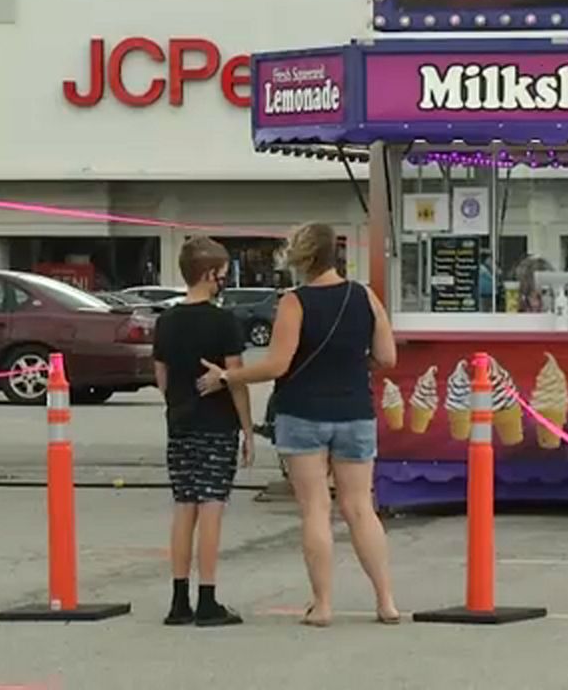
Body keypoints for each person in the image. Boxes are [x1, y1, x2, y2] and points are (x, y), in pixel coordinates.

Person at [196, 223, 400, 627]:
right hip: (355, 412)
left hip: (303, 413)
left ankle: (323, 605)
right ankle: (386, 601)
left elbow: (278, 364)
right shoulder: (365, 297)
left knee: (315, 510)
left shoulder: (295, 302)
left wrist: (227, 377)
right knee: (360, 507)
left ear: (302, 258)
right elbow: (387, 357)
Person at [152, 237, 253, 627]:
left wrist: (177, 400)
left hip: (179, 422)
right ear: (210, 274)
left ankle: (179, 601)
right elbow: (236, 377)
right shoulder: (223, 321)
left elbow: (160, 374)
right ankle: (208, 598)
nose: (224, 281)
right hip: (216, 423)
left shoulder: (167, 320)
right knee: (211, 506)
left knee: (184, 506)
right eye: (223, 274)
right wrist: (246, 428)